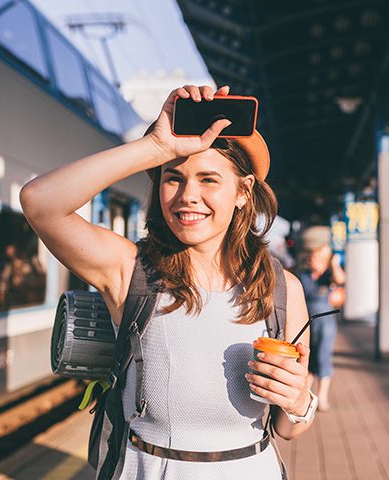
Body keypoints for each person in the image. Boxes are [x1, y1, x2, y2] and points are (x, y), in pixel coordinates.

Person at [21, 85, 314, 479]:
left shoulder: (283, 290)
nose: (187, 196)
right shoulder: (131, 269)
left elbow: (288, 429)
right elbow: (40, 202)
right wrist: (157, 148)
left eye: (209, 179)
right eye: (172, 179)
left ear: (243, 193)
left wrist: (298, 400)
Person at [298, 242, 346, 412]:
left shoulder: (328, 275)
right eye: (311, 258)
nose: (312, 261)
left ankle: (323, 398)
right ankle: (307, 396)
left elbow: (341, 279)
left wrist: (334, 264)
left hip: (325, 323)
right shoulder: (303, 275)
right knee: (308, 358)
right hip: (308, 323)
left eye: (316, 259)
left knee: (323, 357)